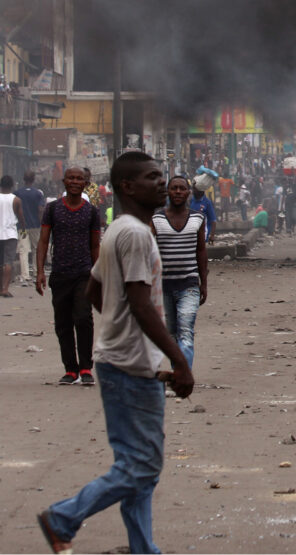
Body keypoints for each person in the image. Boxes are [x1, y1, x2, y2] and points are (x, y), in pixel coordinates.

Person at [37, 151, 194, 555]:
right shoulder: (137, 234)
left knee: (138, 467)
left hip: (121, 360)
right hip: (129, 367)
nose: (162, 184)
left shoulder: (119, 229)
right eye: (152, 177)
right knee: (142, 466)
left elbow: (95, 290)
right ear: (127, 187)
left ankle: (143, 549)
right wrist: (178, 360)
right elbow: (141, 304)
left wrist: (116, 326)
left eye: (162, 177)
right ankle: (64, 517)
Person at [37, 167, 103, 385]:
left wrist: (99, 275)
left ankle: (85, 368)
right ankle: (70, 369)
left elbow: (95, 246)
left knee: (83, 318)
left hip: (84, 274)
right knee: (63, 323)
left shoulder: (92, 212)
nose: (75, 181)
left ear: (85, 183)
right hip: (60, 274)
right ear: (64, 182)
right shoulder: (52, 209)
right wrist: (39, 272)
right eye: (71, 178)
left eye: (79, 179)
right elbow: (44, 241)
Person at [152, 176, 208, 369]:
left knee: (186, 330)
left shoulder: (197, 218)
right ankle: (180, 371)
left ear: (188, 193)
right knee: (172, 332)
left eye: (181, 189)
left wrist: (204, 282)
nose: (177, 192)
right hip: (163, 286)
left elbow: (201, 250)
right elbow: (150, 252)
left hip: (189, 284)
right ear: (168, 192)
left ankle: (182, 374)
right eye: (174, 188)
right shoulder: (156, 219)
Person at [15, 170, 46, 285]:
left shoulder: (17, 193)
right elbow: (40, 209)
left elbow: (15, 209)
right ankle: (37, 272)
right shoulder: (38, 194)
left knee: (23, 250)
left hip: (22, 226)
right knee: (36, 249)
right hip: (35, 226)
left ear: (24, 179)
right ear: (33, 180)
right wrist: (41, 222)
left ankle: (25, 275)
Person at [0, 175, 25, 298]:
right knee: (8, 262)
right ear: (12, 185)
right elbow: (20, 217)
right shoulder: (16, 200)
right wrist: (24, 229)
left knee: (1, 263)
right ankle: (4, 289)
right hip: (10, 234)